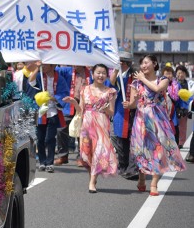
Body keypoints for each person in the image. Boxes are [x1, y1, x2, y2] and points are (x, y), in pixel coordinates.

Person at [123, 54, 186, 196]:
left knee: (158, 150)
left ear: (154, 64)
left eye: (146, 63)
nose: (143, 66)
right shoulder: (136, 84)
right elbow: (133, 105)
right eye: (142, 64)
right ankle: (141, 178)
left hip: (158, 119)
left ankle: (153, 184)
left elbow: (157, 90)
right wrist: (130, 104)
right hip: (141, 120)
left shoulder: (162, 80)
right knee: (141, 151)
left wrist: (143, 79)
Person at [64, 64, 118, 193]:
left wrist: (105, 109)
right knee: (87, 155)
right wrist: (74, 103)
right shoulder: (85, 90)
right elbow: (81, 111)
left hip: (102, 125)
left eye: (103, 73)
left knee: (99, 152)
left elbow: (111, 112)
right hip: (87, 125)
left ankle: (92, 181)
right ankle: (92, 176)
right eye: (98, 72)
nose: (101, 75)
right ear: (92, 74)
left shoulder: (110, 92)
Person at [23, 61, 71, 172]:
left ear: (53, 65)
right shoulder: (40, 75)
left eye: (46, 65)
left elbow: (64, 94)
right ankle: (42, 162)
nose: (43, 67)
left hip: (53, 111)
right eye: (42, 65)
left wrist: (53, 98)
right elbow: (31, 82)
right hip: (41, 111)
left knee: (50, 138)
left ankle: (50, 162)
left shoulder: (60, 78)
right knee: (40, 139)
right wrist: (37, 68)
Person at [109, 52, 138, 179]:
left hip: (133, 111)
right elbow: (110, 84)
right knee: (118, 138)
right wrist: (116, 69)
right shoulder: (118, 74)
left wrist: (132, 103)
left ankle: (132, 169)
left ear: (124, 63)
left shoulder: (134, 76)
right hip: (119, 111)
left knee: (132, 141)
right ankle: (123, 165)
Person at [56, 65, 90, 165]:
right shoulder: (67, 70)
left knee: (82, 131)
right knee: (61, 129)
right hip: (69, 103)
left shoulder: (90, 73)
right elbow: (56, 71)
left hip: (85, 105)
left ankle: (81, 157)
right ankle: (63, 155)